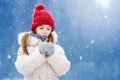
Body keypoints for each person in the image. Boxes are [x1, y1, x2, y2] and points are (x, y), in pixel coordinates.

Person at [14, 4, 70, 80]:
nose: (45, 31)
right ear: (35, 28)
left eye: (48, 29)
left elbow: (63, 69)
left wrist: (52, 55)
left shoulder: (56, 48)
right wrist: (40, 54)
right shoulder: (25, 47)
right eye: (41, 28)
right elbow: (23, 68)